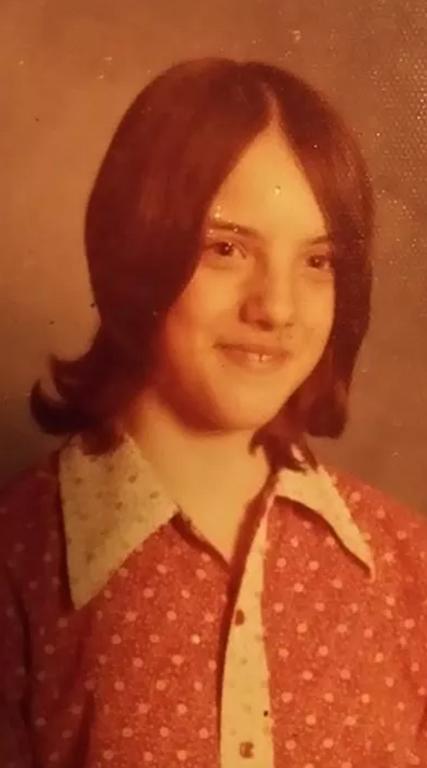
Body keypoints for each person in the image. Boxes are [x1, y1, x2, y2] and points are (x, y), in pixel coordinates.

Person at [1, 57, 426, 768]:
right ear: (136, 250)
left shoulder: (408, 569)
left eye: (317, 262)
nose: (276, 308)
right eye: (226, 249)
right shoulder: (19, 565)